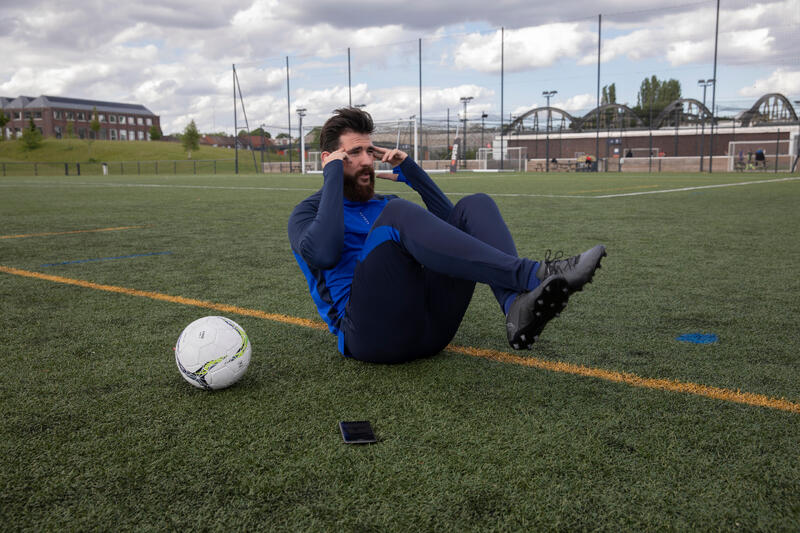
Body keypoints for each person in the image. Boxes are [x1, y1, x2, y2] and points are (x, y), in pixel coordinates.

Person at [288, 107, 606, 364]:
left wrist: (414, 173)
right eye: (353, 153)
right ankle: (533, 274)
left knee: (475, 206)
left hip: (431, 331)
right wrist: (331, 174)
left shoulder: (386, 204)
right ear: (329, 160)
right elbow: (324, 254)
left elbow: (457, 232)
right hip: (371, 339)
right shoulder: (307, 214)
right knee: (396, 216)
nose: (367, 161)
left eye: (370, 151)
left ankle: (513, 306)